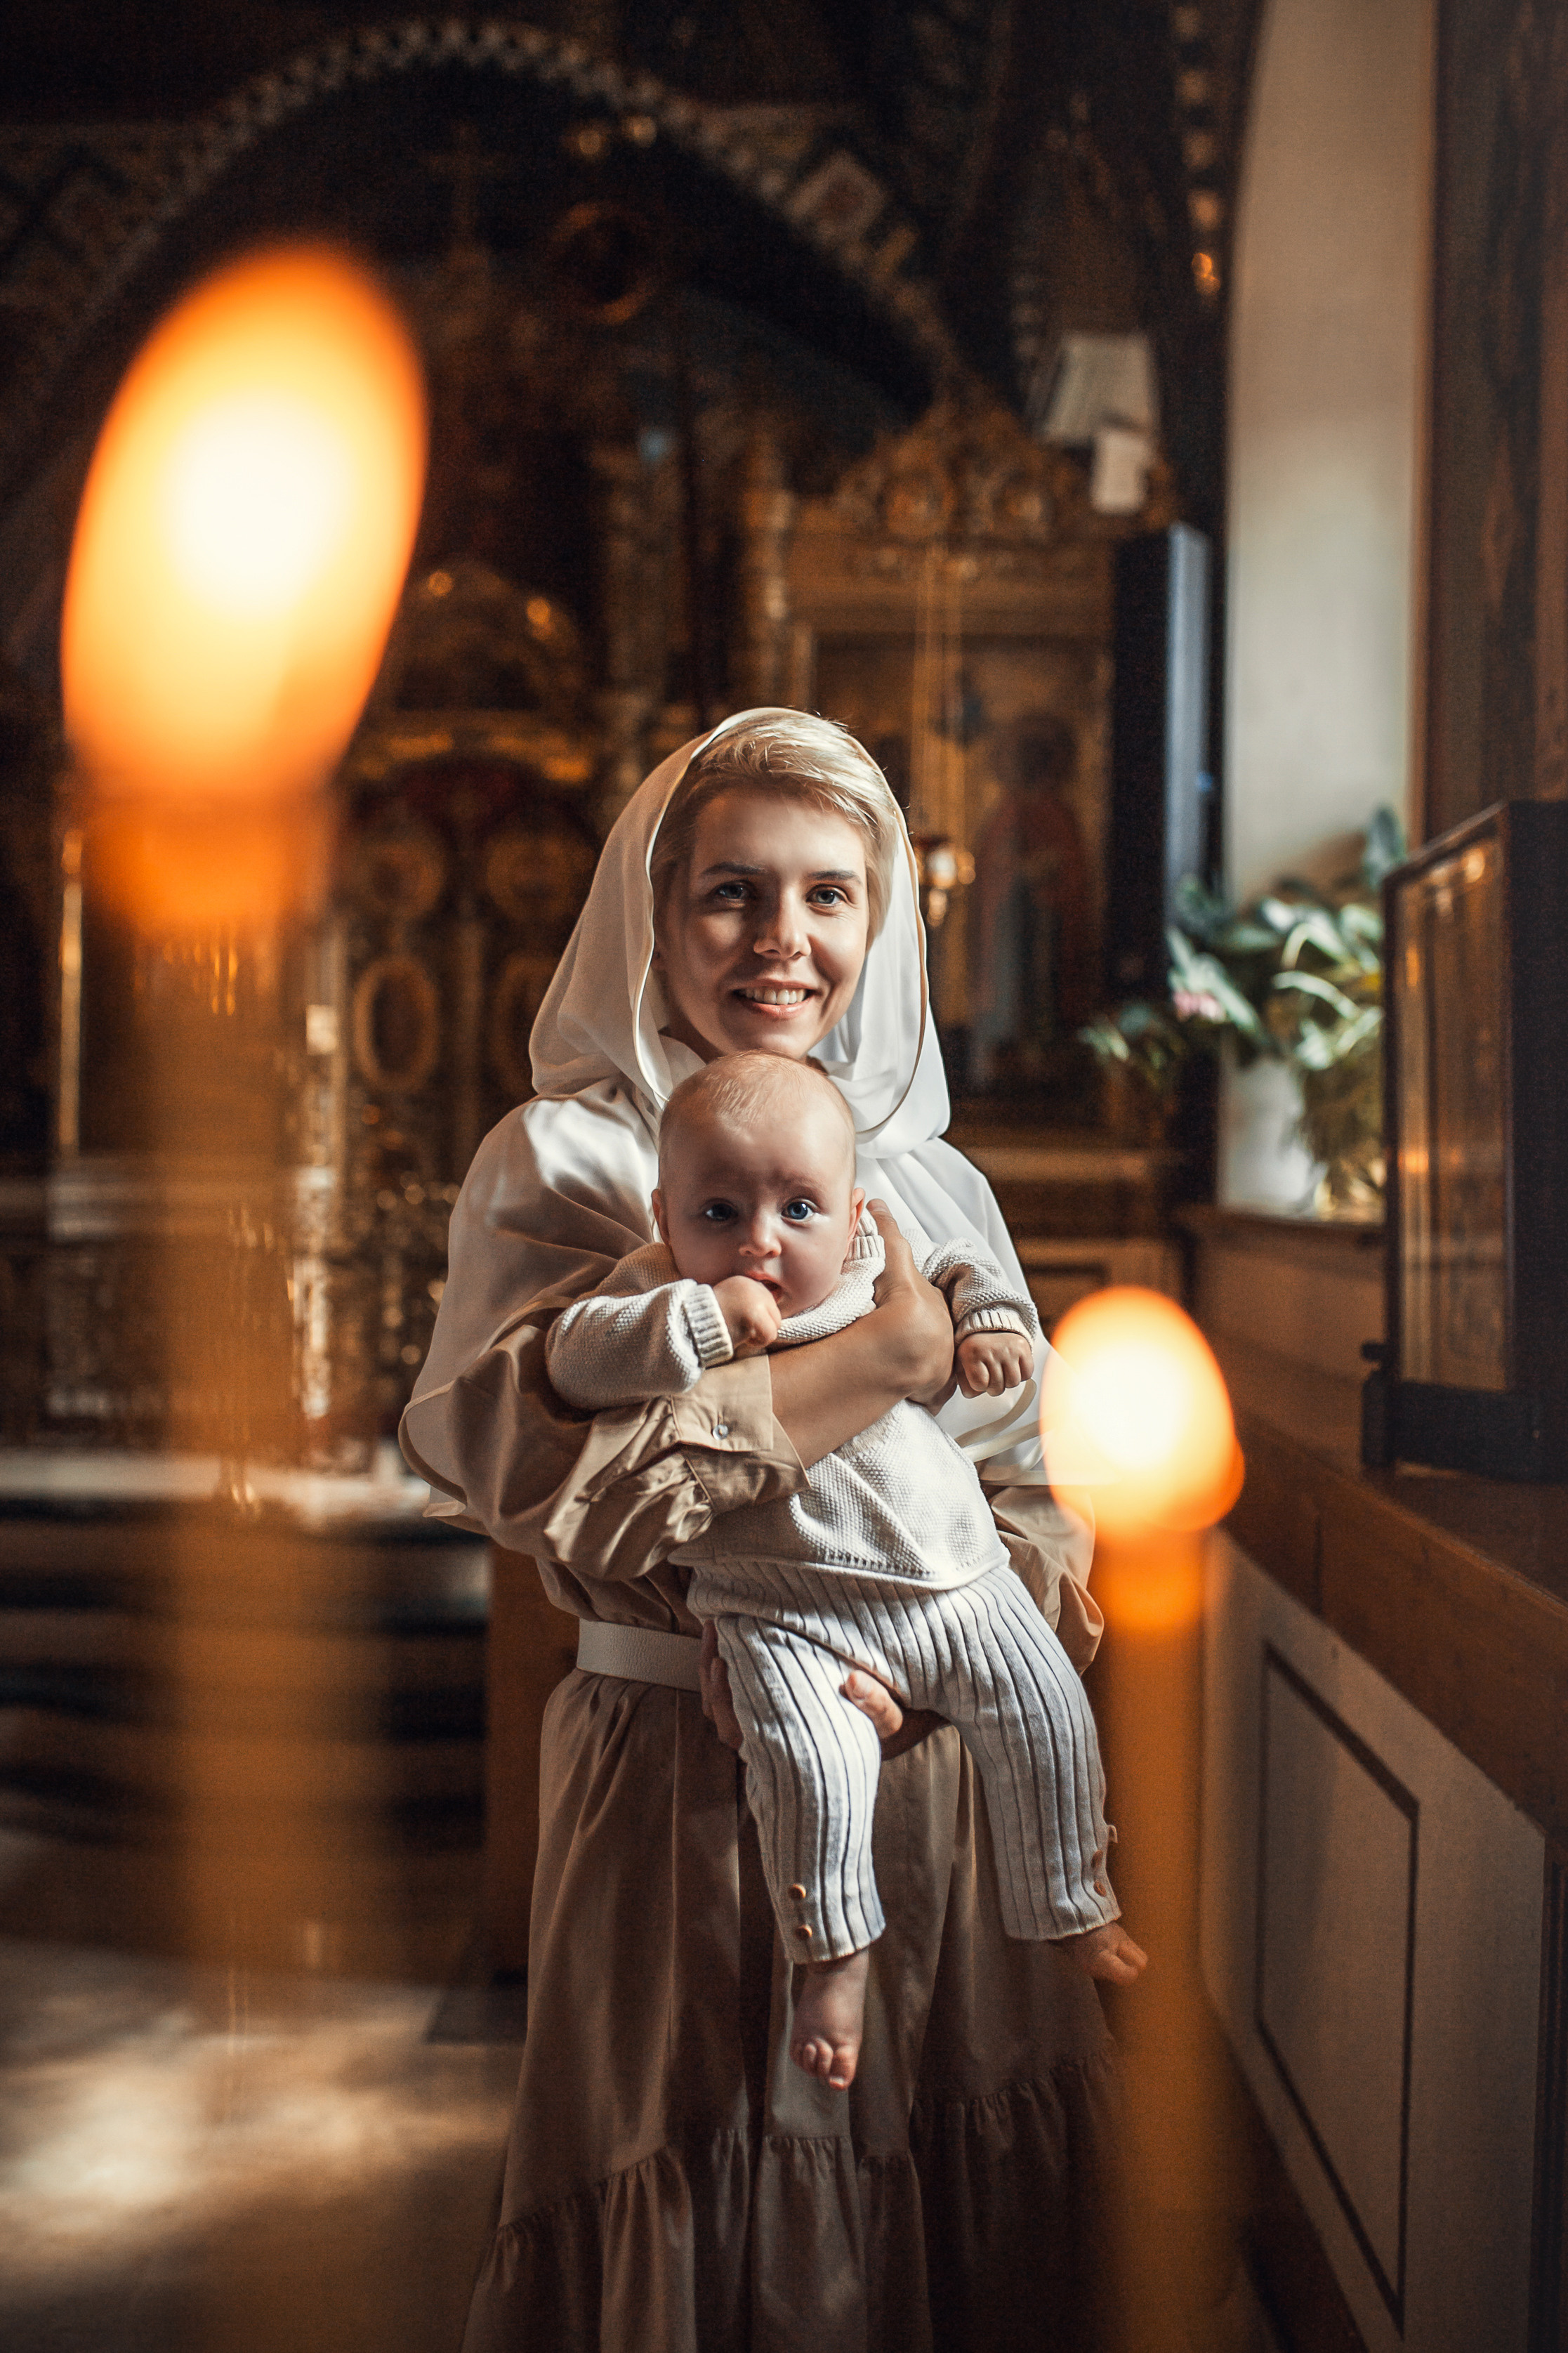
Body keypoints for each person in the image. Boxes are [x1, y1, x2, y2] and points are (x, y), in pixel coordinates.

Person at [402, 708, 1123, 2353]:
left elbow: (1032, 1484)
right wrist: (882, 1357)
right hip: (680, 1763)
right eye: (731, 892)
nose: (782, 941)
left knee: (934, 2214)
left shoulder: (932, 1183)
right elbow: (568, 1486)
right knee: (711, 2189)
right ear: (654, 912)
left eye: (828, 895)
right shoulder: (569, 1162)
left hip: (930, 1780)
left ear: (883, 920)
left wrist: (950, 1660)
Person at [545, 1050, 1144, 2092]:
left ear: (851, 1207)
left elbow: (968, 1272)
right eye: (719, 1211)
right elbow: (570, 1357)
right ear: (664, 1211)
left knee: (1047, 1707)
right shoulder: (656, 1286)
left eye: (798, 1207)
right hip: (778, 1613)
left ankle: (1070, 1903)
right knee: (808, 1767)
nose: (762, 1241)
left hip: (951, 1578)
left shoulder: (877, 1255)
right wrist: (695, 1320)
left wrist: (992, 1321)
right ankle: (830, 1957)